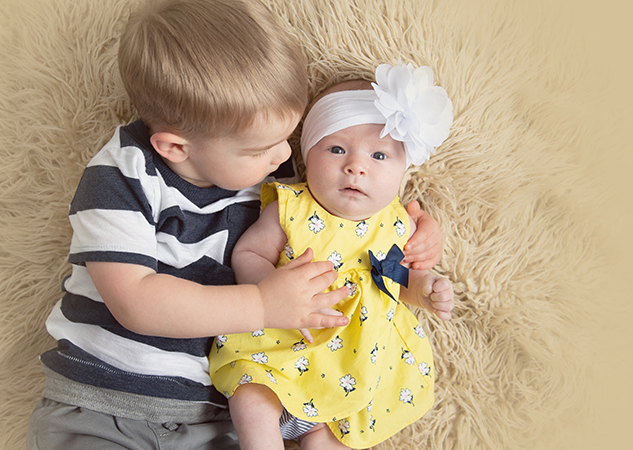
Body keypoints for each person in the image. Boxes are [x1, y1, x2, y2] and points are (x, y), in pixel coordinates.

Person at [26, 0, 443, 448]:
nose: (285, 156)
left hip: (214, 417)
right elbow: (135, 301)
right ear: (175, 148)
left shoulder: (270, 180)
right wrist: (261, 305)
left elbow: (347, 222)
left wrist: (418, 226)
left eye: (288, 137)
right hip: (104, 405)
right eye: (260, 147)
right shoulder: (122, 177)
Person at [209, 61, 456, 449]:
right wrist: (267, 289)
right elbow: (250, 250)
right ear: (308, 156)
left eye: (379, 156)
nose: (356, 166)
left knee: (337, 431)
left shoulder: (397, 225)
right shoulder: (292, 208)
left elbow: (398, 280)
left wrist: (426, 287)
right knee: (252, 398)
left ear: (403, 170)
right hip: (278, 350)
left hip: (353, 366)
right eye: (337, 148)